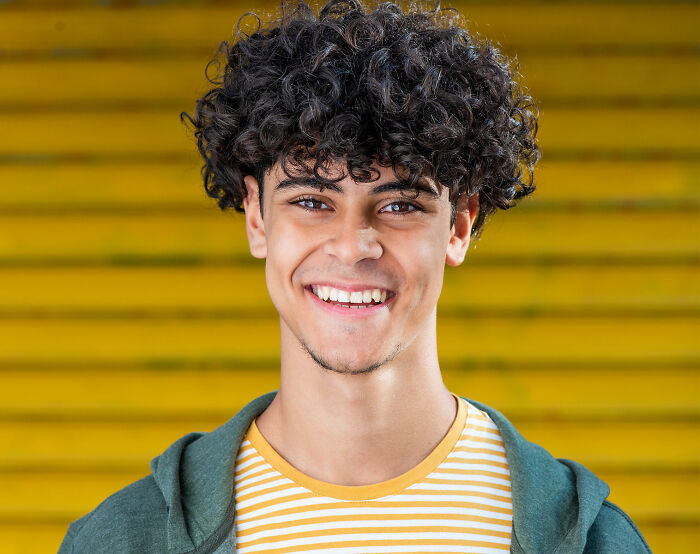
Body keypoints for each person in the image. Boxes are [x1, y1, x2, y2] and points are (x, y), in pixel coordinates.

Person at [59, 1, 651, 552]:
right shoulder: (120, 538)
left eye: (399, 205)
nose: (353, 246)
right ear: (256, 217)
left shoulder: (595, 539)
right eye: (312, 201)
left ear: (459, 226)